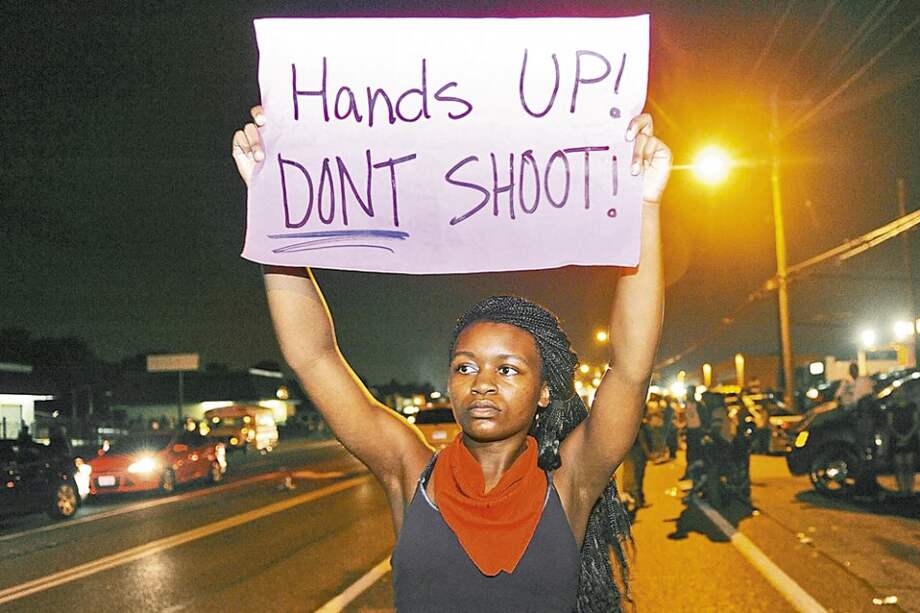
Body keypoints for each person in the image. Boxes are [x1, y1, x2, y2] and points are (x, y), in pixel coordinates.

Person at [231, 107, 670, 612]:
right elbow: (312, 356)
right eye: (466, 366)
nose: (482, 383)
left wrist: (647, 203)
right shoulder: (409, 470)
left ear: (545, 389)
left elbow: (632, 368)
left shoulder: (570, 482)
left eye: (508, 369)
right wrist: (272, 206)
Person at [887, 401, 919, 496]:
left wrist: (908, 436)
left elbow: (916, 422)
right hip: (896, 439)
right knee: (899, 465)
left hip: (910, 438)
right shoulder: (892, 407)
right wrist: (899, 436)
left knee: (909, 464)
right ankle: (902, 489)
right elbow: (890, 424)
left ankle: (910, 488)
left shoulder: (912, 406)